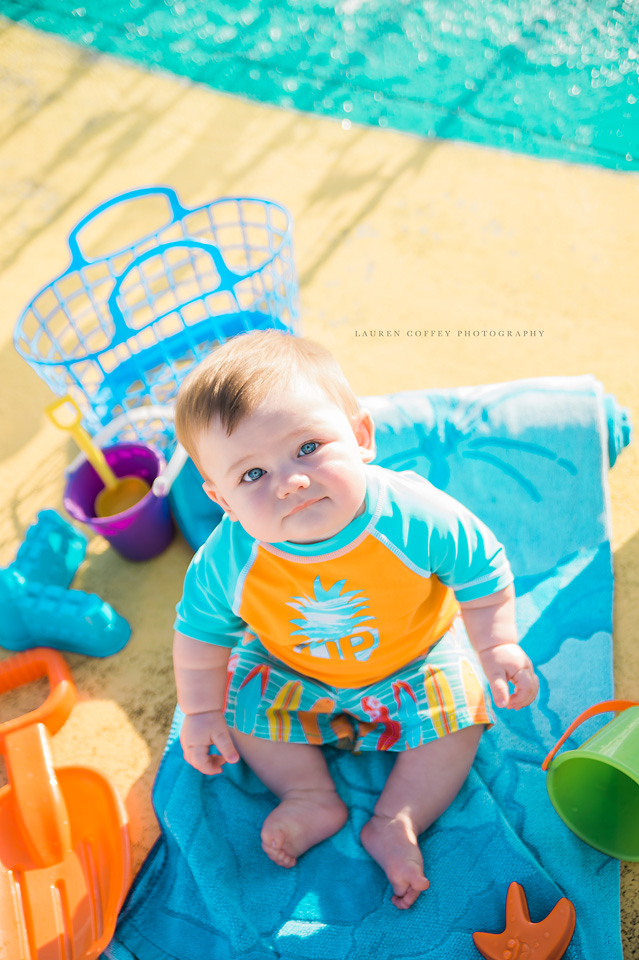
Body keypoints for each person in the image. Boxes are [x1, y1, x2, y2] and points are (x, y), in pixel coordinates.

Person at [172, 330, 538, 910]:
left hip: (413, 658)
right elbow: (199, 637)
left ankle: (396, 818)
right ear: (221, 500)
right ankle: (309, 794)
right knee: (238, 705)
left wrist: (497, 645)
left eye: (308, 448)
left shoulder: (413, 516)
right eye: (251, 475)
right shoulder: (226, 560)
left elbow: (481, 568)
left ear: (361, 436)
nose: (289, 481)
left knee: (461, 714)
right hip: (293, 666)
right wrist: (200, 711)